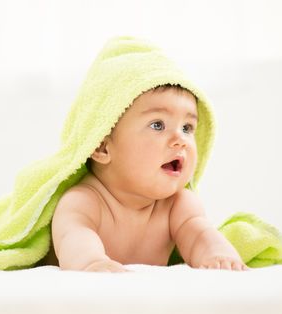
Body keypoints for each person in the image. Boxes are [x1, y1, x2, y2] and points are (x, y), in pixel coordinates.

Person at [49, 84, 248, 272]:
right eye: (158, 125)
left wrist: (219, 256)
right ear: (102, 147)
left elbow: (200, 235)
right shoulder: (84, 201)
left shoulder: (178, 204)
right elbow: (74, 236)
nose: (180, 140)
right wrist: (91, 262)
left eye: (187, 128)